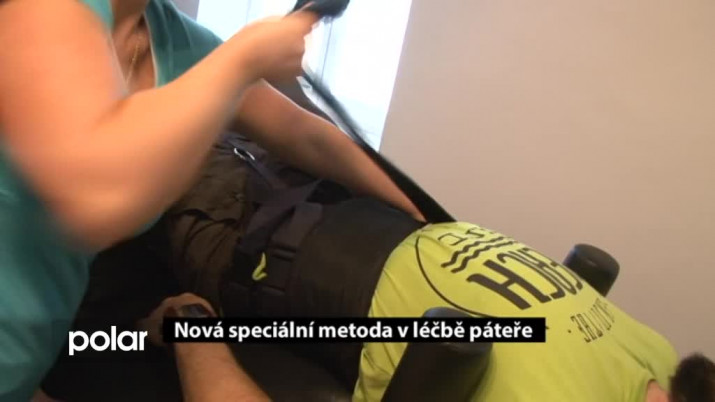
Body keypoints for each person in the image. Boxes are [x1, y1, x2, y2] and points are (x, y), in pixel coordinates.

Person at [0, 0, 421, 399]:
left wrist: (420, 216)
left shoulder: (173, 40)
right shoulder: (42, 11)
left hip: (22, 365)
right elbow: (95, 201)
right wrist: (243, 58)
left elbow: (303, 135)